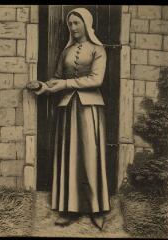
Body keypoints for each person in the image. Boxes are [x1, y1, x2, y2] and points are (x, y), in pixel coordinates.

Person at [34, 8, 110, 230]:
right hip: (67, 108)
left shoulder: (98, 50)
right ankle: (69, 209)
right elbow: (57, 78)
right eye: (70, 24)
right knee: (69, 156)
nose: (73, 28)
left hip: (90, 109)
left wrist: (66, 84)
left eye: (77, 23)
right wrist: (43, 87)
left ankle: (96, 209)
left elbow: (96, 79)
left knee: (90, 156)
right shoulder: (66, 52)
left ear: (86, 24)